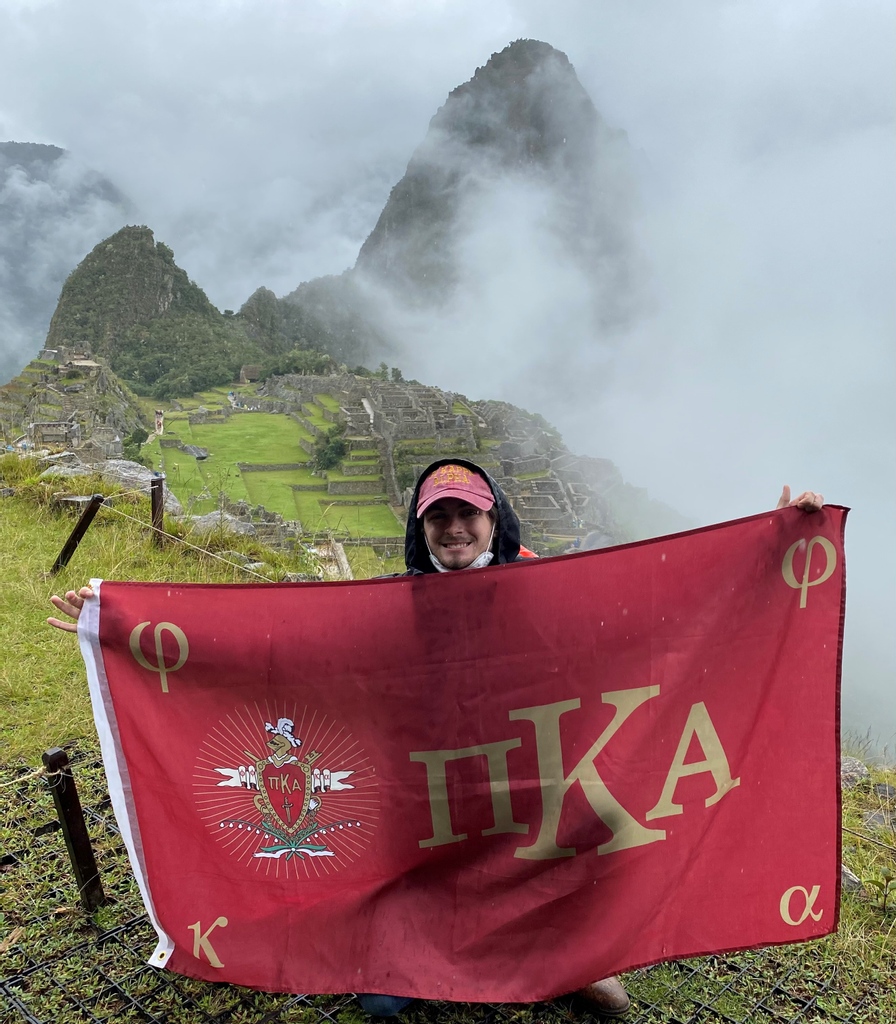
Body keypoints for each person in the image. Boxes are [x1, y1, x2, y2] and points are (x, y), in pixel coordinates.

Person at [48, 461, 824, 1018]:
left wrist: (769, 547)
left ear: (494, 522)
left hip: (531, 792)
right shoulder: (396, 607)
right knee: (385, 998)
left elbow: (658, 614)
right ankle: (425, 950)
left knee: (579, 861)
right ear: (422, 529)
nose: (455, 529)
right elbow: (282, 652)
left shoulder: (548, 590)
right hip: (426, 810)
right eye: (439, 518)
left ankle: (574, 965)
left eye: (468, 515)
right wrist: (116, 621)